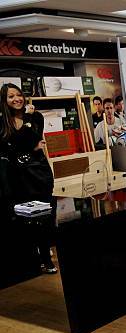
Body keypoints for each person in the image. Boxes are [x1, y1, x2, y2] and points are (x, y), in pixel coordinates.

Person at [0, 83, 56, 274]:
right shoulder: (2, 121)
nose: (16, 99)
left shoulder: (36, 116)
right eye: (10, 96)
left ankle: (46, 257)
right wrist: (27, 144)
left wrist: (30, 120)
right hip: (17, 176)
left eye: (18, 95)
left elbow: (33, 141)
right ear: (4, 100)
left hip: (39, 173)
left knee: (45, 216)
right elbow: (11, 148)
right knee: (26, 219)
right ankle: (35, 257)